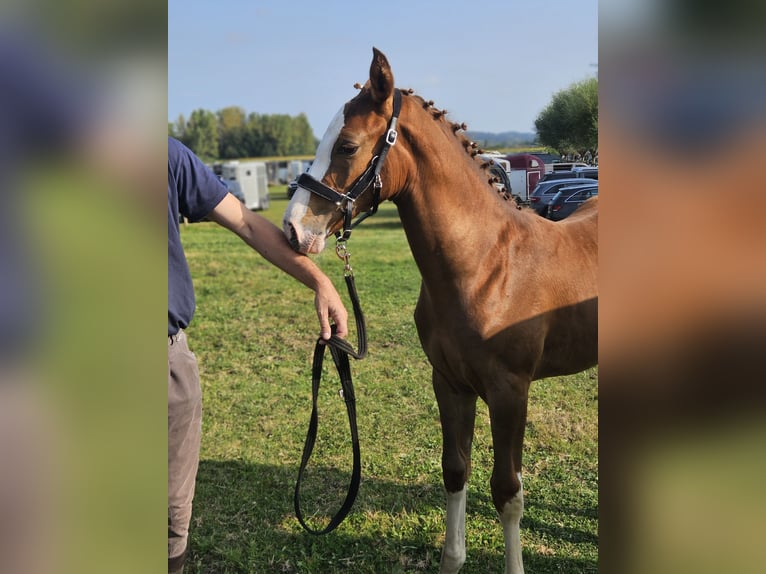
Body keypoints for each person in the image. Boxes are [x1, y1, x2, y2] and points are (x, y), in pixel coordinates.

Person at [167, 136, 348, 573]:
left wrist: (319, 281)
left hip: (165, 363)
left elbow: (247, 222)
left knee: (170, 518)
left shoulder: (164, 157)